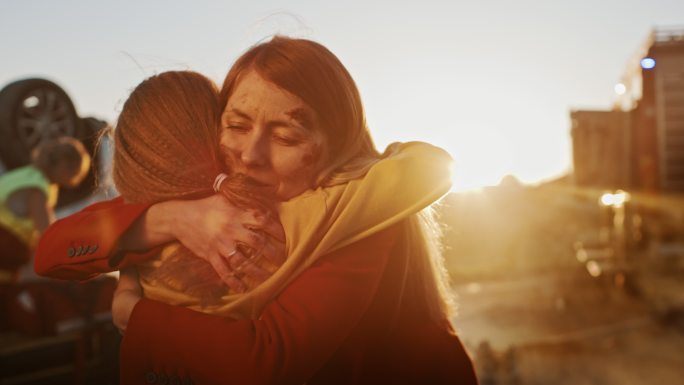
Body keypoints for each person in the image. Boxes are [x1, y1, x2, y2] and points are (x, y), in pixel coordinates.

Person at [35, 36, 478, 384]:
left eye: (286, 136)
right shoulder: (203, 198)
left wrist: (134, 312)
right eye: (237, 125)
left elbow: (265, 363)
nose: (250, 154)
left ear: (336, 146)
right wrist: (172, 219)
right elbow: (52, 252)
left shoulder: (354, 221)